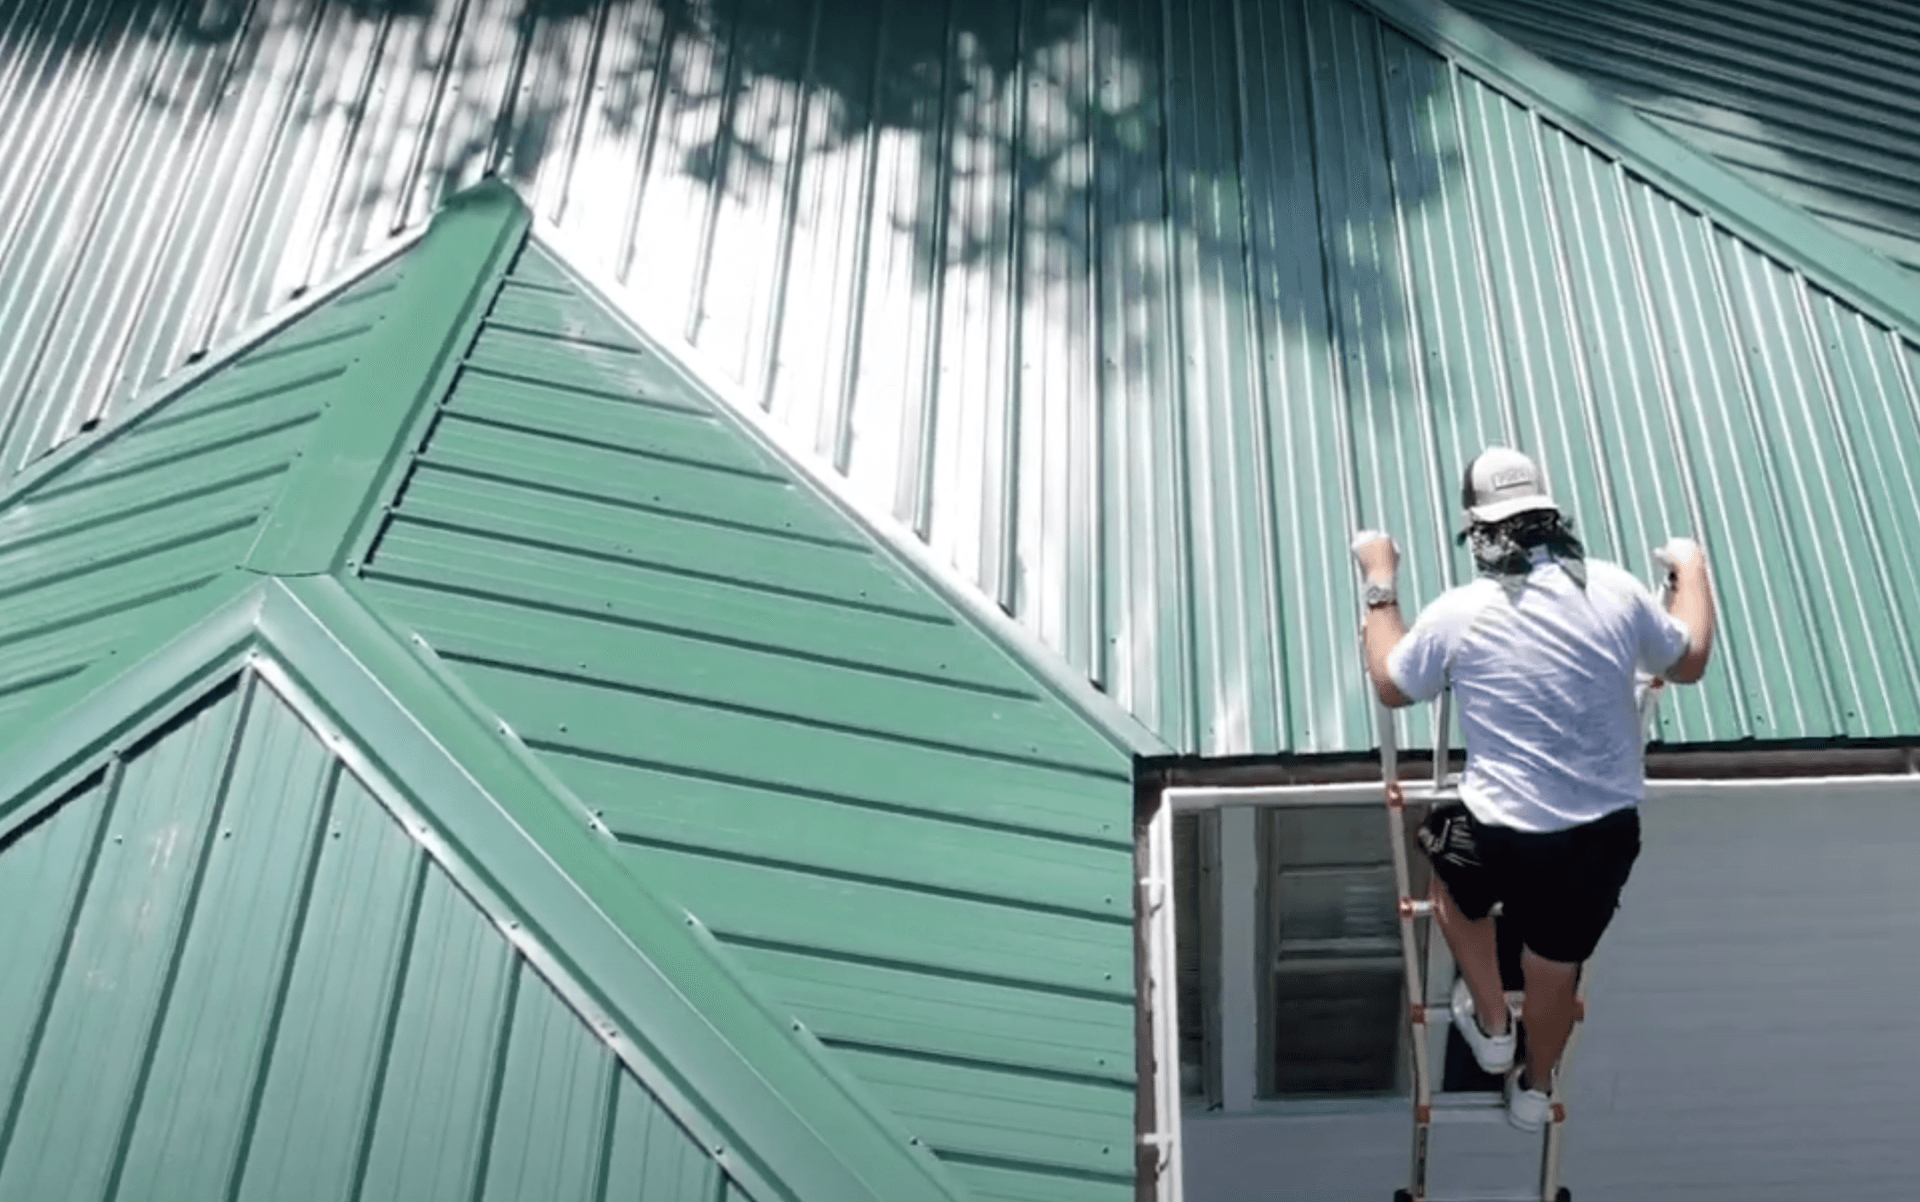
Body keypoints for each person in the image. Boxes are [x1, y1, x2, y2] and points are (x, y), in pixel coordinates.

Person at [1350, 446, 1717, 1132]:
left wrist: (1379, 579)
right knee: (1554, 972)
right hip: (1599, 832)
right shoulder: (1616, 591)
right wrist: (1691, 569)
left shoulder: (1463, 611)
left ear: (1480, 533)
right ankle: (1535, 1089)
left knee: (1447, 877)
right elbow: (1689, 659)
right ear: (1552, 519)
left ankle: (1493, 1026)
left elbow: (1391, 683)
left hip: (1500, 828)